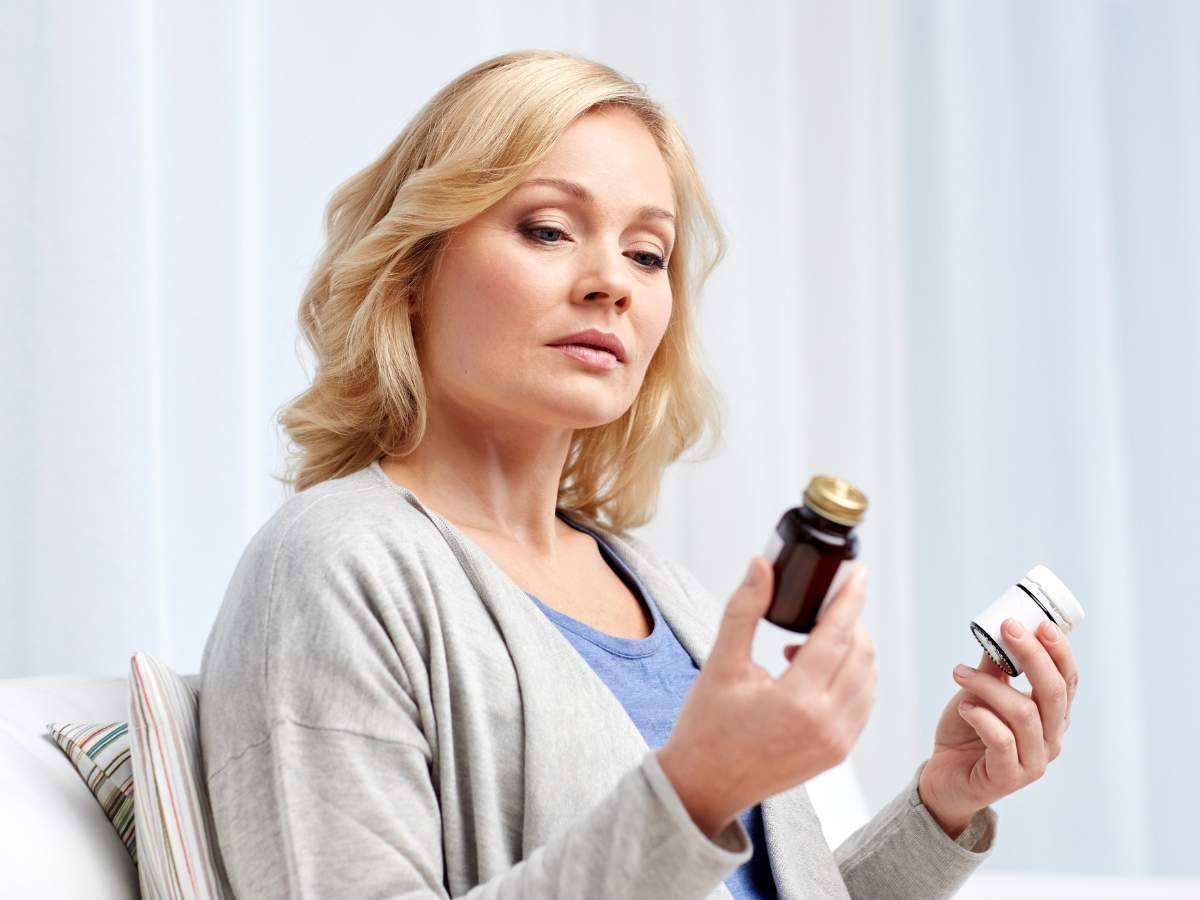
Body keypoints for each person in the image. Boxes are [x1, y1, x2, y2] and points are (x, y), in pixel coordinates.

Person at [200, 49, 1080, 900]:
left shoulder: (665, 593)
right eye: (548, 229)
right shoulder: (333, 566)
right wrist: (696, 788)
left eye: (648, 254)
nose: (612, 284)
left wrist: (943, 804)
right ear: (413, 270)